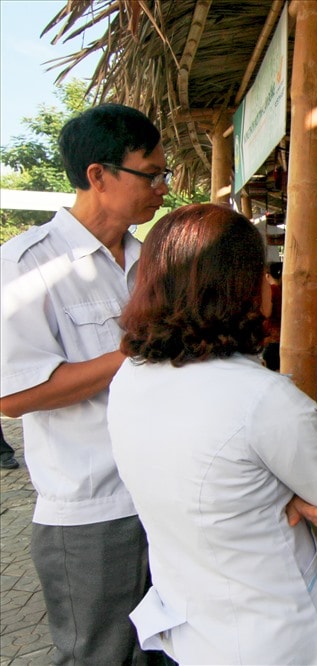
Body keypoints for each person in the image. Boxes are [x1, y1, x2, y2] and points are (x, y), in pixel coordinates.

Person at [106, 204, 317, 664]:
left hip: (197, 630)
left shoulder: (130, 378)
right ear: (238, 287)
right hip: (281, 636)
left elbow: (204, 472)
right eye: (263, 271)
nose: (270, 284)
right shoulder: (263, 397)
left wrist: (271, 493)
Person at [0, 103, 167, 665]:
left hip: (164, 496)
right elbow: (14, 394)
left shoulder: (153, 265)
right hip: (92, 512)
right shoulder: (28, 265)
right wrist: (133, 354)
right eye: (151, 174)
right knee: (102, 656)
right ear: (99, 176)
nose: (162, 188)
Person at [262, 261, 283, 371]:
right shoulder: (285, 290)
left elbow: (267, 312)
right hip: (282, 335)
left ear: (267, 275)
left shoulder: (272, 290)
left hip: (273, 338)